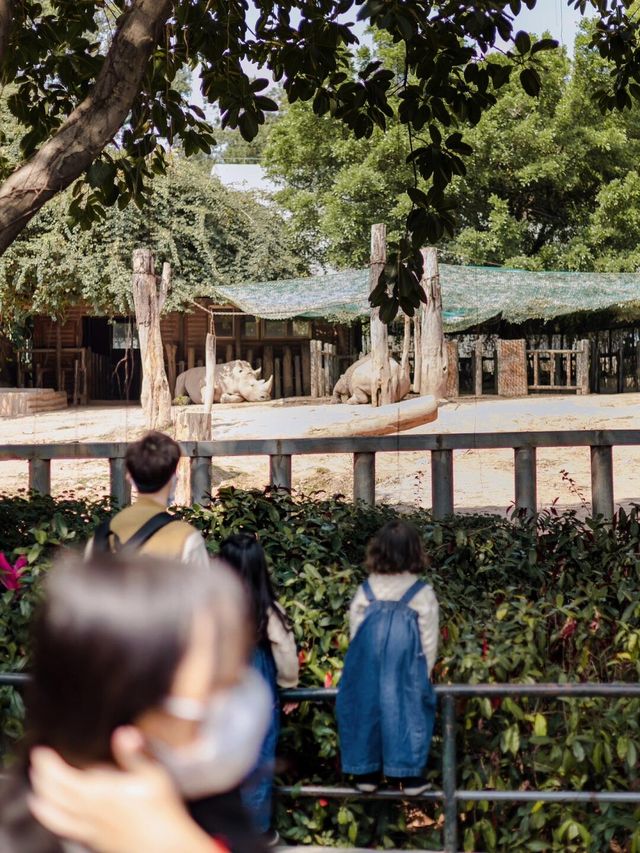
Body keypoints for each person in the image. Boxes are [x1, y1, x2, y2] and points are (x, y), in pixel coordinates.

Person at [0, 552, 271, 853]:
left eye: (232, 680)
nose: (232, 708)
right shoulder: (20, 840)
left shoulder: (211, 806)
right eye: (214, 685)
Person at [336, 519, 439, 796]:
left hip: (366, 665)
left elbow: (355, 630)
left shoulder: (366, 591)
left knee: (364, 712)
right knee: (409, 714)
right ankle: (409, 776)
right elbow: (429, 638)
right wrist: (424, 672)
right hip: (406, 667)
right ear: (415, 552)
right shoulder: (421, 593)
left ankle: (366, 772)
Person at [219, 533, 299, 847]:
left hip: (222, 683)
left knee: (222, 752)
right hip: (258, 685)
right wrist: (289, 685)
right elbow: (285, 651)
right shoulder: (267, 609)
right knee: (259, 757)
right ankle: (256, 830)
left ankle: (222, 825)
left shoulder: (214, 608)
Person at [85, 430, 210, 569]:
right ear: (174, 479)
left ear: (129, 478)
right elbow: (204, 590)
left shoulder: (102, 535)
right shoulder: (187, 539)